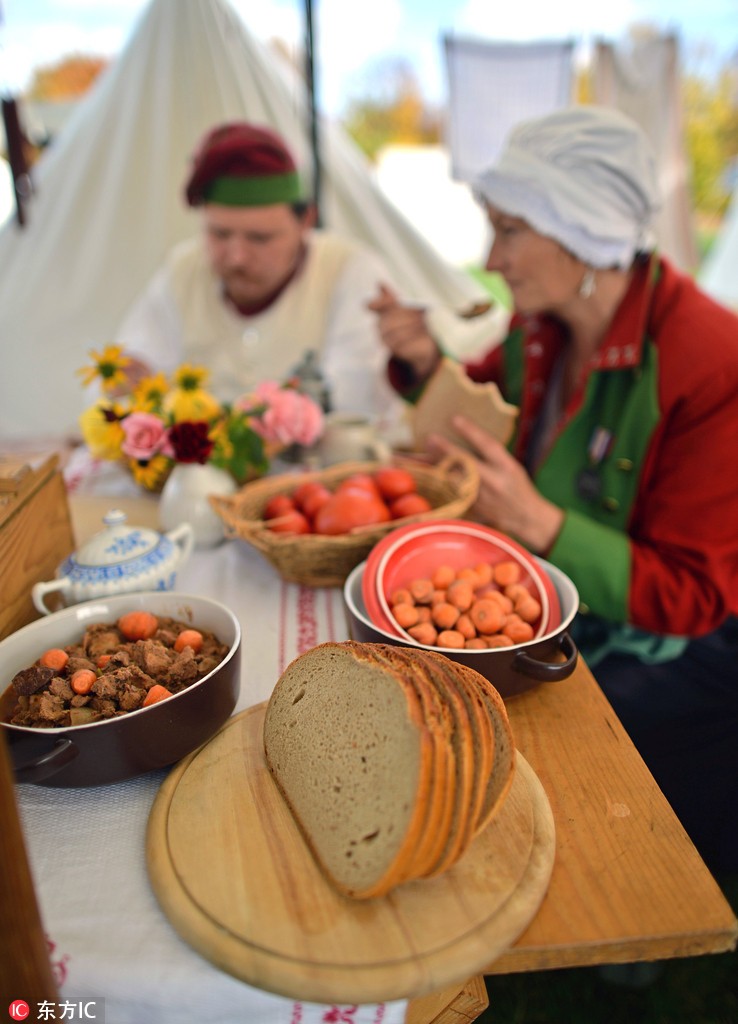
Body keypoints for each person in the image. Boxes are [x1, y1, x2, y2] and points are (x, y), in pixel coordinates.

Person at [373, 105, 738, 873]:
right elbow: (479, 398)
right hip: (544, 592)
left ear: (582, 236)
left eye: (508, 230)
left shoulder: (712, 362)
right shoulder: (541, 323)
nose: (491, 256)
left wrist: (541, 524)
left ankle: (631, 866)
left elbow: (691, 597)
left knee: (501, 729)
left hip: (674, 642)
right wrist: (417, 360)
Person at [114, 121, 507, 436]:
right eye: (219, 234)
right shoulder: (183, 271)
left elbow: (355, 402)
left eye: (259, 238)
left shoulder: (351, 271)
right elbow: (133, 369)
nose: (235, 256)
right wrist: (127, 385)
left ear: (306, 221)